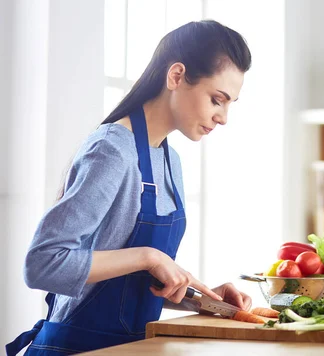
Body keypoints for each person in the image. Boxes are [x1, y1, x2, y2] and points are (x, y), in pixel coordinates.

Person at [6, 19, 253, 356]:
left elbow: (136, 287)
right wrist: (147, 256)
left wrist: (207, 301)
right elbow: (42, 265)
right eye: (216, 100)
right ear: (177, 76)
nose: (223, 117)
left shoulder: (169, 160)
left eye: (228, 104)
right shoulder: (112, 151)